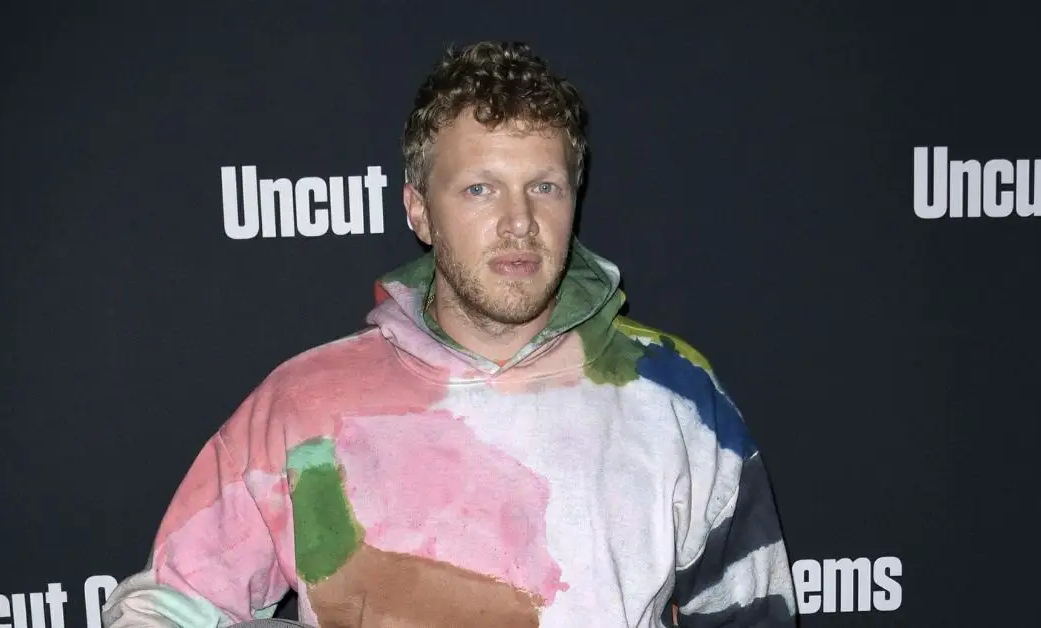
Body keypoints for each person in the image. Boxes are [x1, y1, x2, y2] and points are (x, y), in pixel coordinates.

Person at [102, 40, 797, 628]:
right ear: (419, 211)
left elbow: (754, 611)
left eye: (544, 187)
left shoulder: (676, 398)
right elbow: (162, 607)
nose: (518, 222)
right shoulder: (304, 408)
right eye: (479, 189)